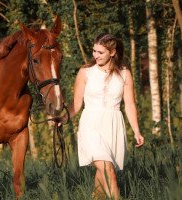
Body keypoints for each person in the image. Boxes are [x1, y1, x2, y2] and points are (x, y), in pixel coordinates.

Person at [62, 33, 144, 199]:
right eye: (94, 51)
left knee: (103, 176)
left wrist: (136, 131)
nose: (95, 55)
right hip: (91, 124)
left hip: (113, 125)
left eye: (100, 52)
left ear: (112, 52)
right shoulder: (86, 72)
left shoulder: (124, 74)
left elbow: (129, 104)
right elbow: (76, 103)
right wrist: (63, 118)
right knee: (109, 172)